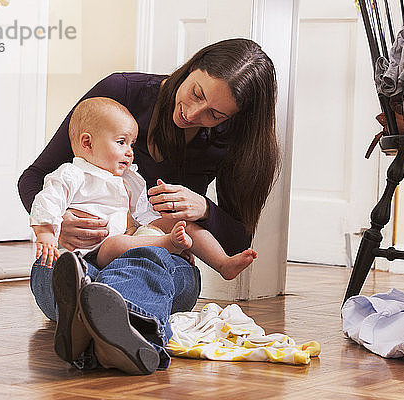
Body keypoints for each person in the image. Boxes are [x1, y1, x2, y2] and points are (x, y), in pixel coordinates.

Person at [18, 38, 280, 375]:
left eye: (214, 114)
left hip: (157, 263)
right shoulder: (121, 93)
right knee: (65, 269)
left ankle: (90, 325)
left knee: (151, 256)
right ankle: (123, 337)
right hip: (76, 256)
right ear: (191, 66)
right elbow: (35, 178)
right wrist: (58, 223)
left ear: (233, 119)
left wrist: (204, 208)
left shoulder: (233, 142)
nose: (192, 113)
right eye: (197, 93)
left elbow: (236, 242)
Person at [31, 96, 258, 280]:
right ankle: (166, 245)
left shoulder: (129, 178)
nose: (130, 151)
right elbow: (48, 200)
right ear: (87, 143)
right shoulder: (73, 174)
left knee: (177, 223)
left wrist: (163, 225)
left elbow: (141, 215)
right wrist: (46, 233)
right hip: (97, 251)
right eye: (121, 142)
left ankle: (222, 262)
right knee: (115, 244)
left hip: (130, 236)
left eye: (132, 144)